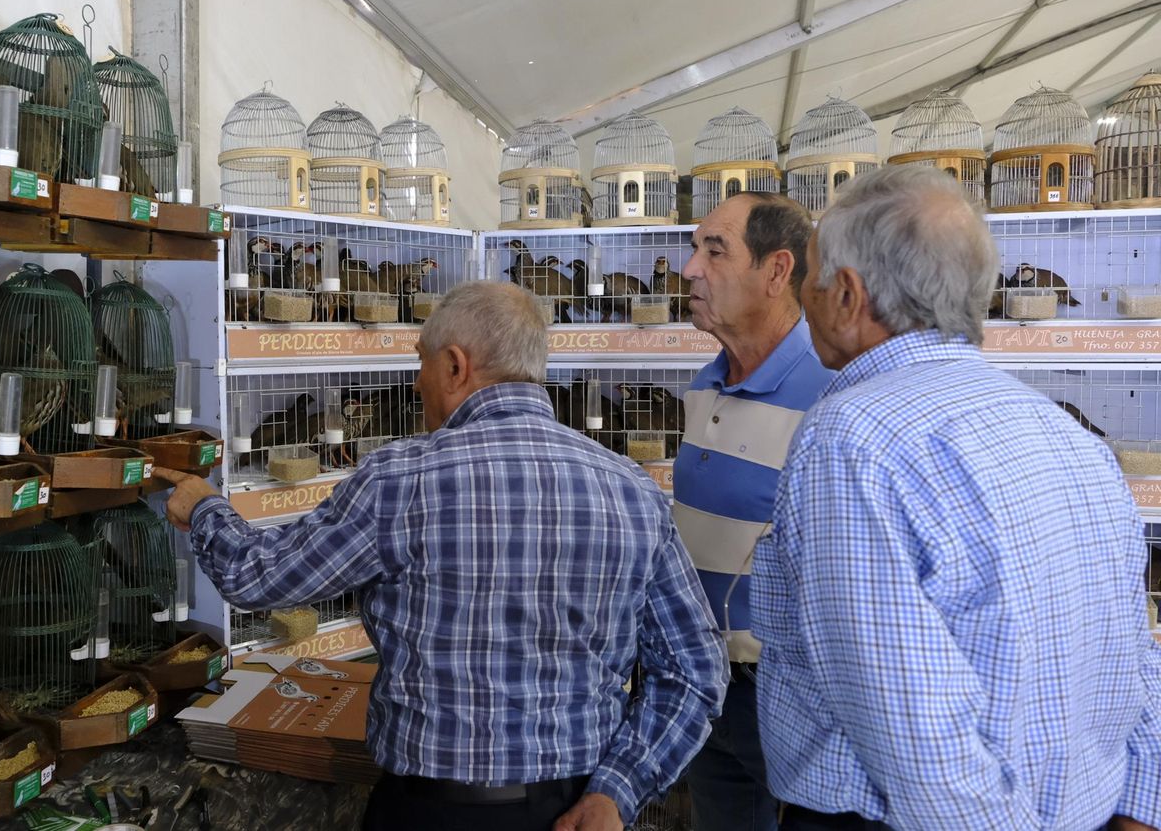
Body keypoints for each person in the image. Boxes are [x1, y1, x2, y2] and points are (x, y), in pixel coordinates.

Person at [155, 281, 727, 831]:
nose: (415, 381)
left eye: (421, 361)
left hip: (429, 810)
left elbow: (258, 577)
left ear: (456, 366)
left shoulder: (400, 481)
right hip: (578, 807)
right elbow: (696, 671)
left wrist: (205, 509)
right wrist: (617, 792)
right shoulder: (631, 489)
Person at [751, 163, 1161, 831]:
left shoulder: (852, 437)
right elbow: (1141, 654)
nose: (804, 298)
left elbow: (908, 723)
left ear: (849, 295)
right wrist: (1142, 810)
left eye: (812, 279)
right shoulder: (1069, 436)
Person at [673, 192, 834, 831]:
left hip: (788, 691)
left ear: (775, 272)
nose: (689, 269)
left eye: (715, 251)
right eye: (695, 249)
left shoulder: (831, 392)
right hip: (701, 678)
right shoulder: (703, 384)